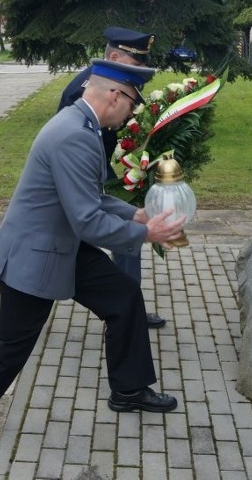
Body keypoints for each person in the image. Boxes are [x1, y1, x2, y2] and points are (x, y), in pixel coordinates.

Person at [0, 59, 186, 461]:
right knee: (9, 350)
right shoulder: (74, 135)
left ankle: (129, 387)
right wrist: (147, 233)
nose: (131, 113)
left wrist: (134, 214)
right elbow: (87, 221)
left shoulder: (79, 124)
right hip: (34, 257)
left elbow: (92, 197)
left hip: (57, 244)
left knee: (122, 296)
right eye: (131, 103)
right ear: (115, 95)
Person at [58, 26, 166, 329]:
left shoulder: (115, 86)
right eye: (135, 65)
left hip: (103, 173)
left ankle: (127, 306)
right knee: (60, 240)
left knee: (116, 235)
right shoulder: (85, 90)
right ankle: (19, 303)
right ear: (115, 56)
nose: (139, 73)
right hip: (83, 177)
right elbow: (73, 145)